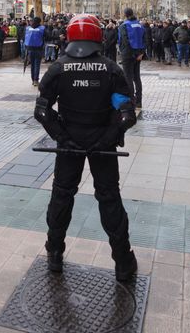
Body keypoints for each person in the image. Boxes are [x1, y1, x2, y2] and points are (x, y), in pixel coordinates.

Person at [34, 14, 139, 281]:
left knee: (61, 196)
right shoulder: (110, 69)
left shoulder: (58, 68)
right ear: (97, 36)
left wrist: (63, 136)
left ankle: (54, 253)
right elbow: (126, 114)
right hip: (102, 145)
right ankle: (123, 261)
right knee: (109, 198)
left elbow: (42, 111)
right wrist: (107, 137)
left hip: (69, 144)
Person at [117, 8, 145, 111]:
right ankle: (139, 102)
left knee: (128, 78)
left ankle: (131, 102)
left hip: (128, 54)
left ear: (125, 14)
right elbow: (144, 39)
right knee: (137, 78)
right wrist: (141, 53)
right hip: (138, 54)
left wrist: (130, 53)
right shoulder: (140, 24)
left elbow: (124, 40)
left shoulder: (124, 25)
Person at [24, 17, 46, 86]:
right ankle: (36, 80)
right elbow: (47, 37)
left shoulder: (28, 28)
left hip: (29, 49)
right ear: (39, 22)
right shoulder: (42, 28)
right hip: (38, 49)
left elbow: (24, 37)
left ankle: (33, 79)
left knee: (32, 65)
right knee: (37, 65)